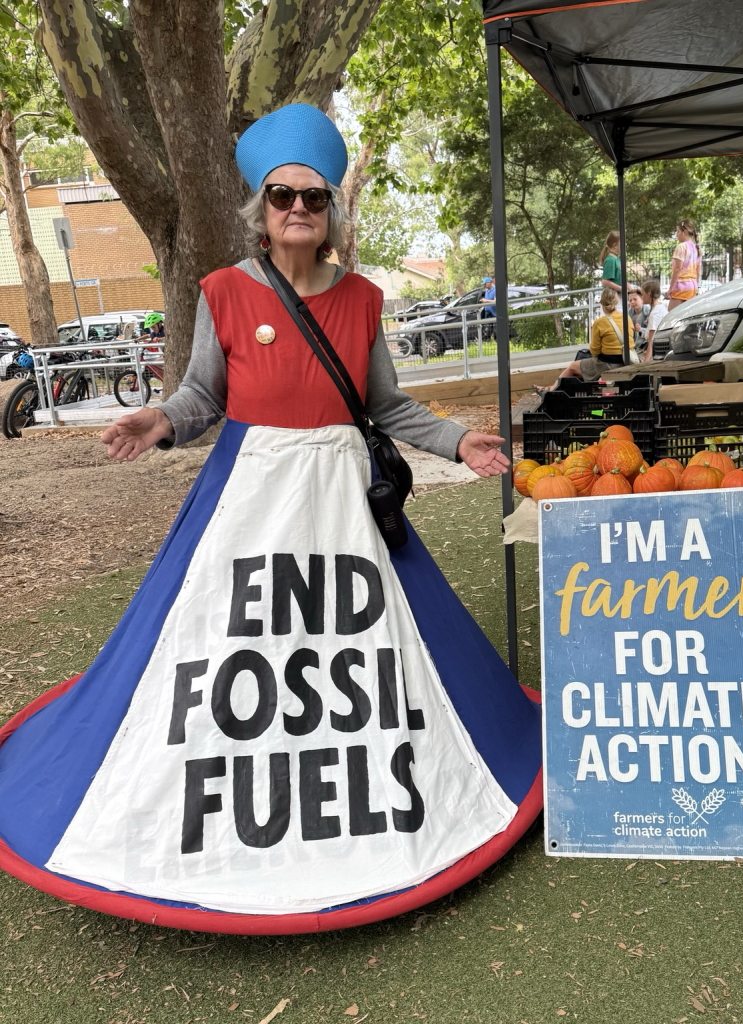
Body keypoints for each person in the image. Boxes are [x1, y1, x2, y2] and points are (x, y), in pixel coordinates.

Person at [0, 103, 542, 932]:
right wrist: (159, 423)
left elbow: (386, 405)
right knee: (227, 644)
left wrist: (455, 439)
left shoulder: (362, 299)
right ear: (263, 207)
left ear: (332, 212)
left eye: (314, 198)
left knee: (356, 647)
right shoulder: (223, 291)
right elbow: (201, 396)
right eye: (283, 195)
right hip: (246, 502)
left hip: (341, 505)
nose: (298, 209)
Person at [537, 287, 632, 391]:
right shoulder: (627, 319)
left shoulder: (599, 323)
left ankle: (551, 390)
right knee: (582, 369)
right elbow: (631, 342)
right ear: (616, 302)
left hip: (606, 365)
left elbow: (594, 351)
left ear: (602, 303)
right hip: (624, 362)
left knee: (573, 367)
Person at [667, 219, 701, 310]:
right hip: (692, 287)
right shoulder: (696, 248)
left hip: (680, 287)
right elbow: (697, 271)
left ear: (684, 232)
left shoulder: (681, 247)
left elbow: (678, 269)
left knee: (671, 314)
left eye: (678, 231)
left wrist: (671, 288)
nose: (676, 235)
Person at [637, 278, 667, 362]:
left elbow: (651, 341)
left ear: (648, 294)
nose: (641, 297)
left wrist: (645, 364)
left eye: (642, 295)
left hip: (655, 353)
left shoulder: (655, 314)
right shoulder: (661, 307)